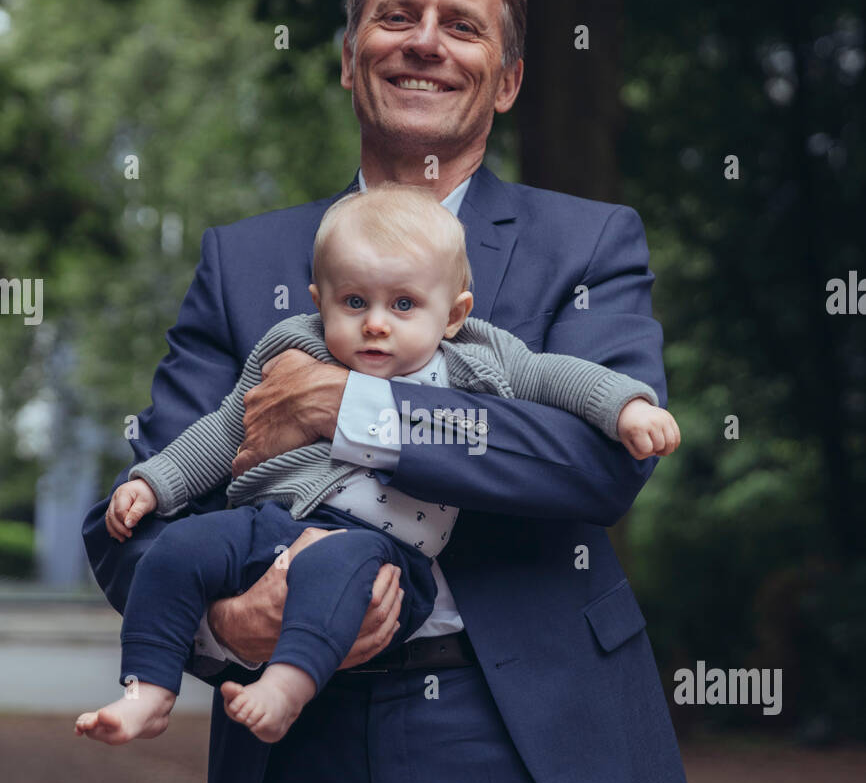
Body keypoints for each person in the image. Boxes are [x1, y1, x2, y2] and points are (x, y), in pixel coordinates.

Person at [82, 0, 697, 783]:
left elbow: (593, 461)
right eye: (396, 17)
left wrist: (343, 412)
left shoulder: (585, 242)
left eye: (461, 26)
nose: (425, 43)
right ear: (352, 54)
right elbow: (133, 516)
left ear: (506, 77)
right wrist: (224, 624)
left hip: (521, 747)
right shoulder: (243, 262)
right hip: (292, 747)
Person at [75, 183, 678, 747]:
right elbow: (224, 429)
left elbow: (557, 380)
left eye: (404, 304)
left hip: (387, 552)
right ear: (320, 300)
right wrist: (156, 483)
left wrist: (625, 406)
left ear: (453, 314)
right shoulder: (293, 342)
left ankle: (286, 687)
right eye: (355, 301)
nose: (376, 323)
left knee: (333, 566)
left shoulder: (476, 357)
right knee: (182, 549)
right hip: (270, 523)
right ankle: (149, 689)